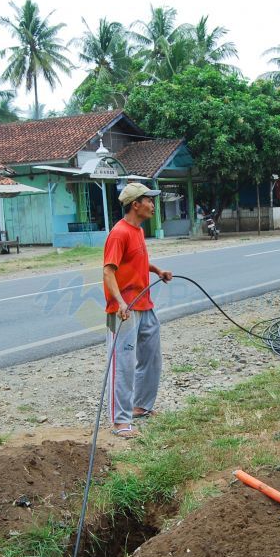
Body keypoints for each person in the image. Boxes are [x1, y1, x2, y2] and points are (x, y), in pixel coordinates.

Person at [103, 183, 173, 438]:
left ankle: (141, 406)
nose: (153, 205)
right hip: (123, 311)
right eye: (149, 200)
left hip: (145, 304)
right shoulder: (119, 233)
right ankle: (120, 421)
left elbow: (137, 261)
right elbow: (108, 271)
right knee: (123, 365)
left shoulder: (138, 232)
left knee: (151, 358)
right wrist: (120, 303)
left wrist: (157, 271)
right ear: (135, 204)